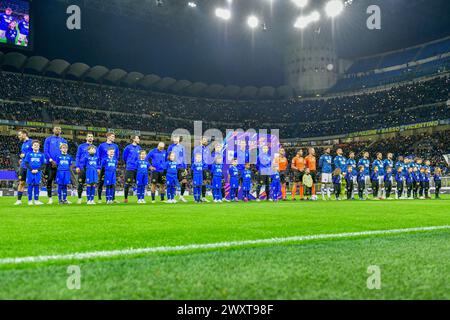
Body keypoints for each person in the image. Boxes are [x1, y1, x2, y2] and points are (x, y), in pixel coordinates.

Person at [44, 127, 68, 204]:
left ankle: (63, 198)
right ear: (53, 130)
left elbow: (65, 151)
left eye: (59, 129)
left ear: (61, 131)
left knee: (62, 181)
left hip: (61, 165)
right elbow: (46, 150)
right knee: (49, 180)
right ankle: (50, 198)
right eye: (56, 129)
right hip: (50, 163)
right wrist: (51, 160)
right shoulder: (48, 139)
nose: (57, 130)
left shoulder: (63, 140)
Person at [97, 132, 119, 203]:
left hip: (111, 166)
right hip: (103, 166)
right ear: (108, 137)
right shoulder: (101, 145)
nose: (114, 138)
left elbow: (117, 156)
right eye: (113, 136)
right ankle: (100, 198)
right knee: (101, 182)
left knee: (112, 183)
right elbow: (98, 156)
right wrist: (98, 167)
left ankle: (112, 198)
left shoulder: (115, 146)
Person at [23, 140, 46, 206]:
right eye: (35, 145)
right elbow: (26, 163)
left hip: (38, 172)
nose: (36, 146)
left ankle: (36, 200)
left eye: (37, 145)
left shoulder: (41, 155)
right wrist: (31, 169)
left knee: (37, 185)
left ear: (39, 147)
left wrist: (38, 170)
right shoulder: (29, 154)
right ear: (32, 146)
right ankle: (30, 200)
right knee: (30, 185)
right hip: (30, 172)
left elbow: (43, 164)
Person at [75, 133, 95, 204]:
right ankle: (79, 198)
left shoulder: (95, 147)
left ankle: (89, 199)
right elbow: (78, 156)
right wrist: (77, 166)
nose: (90, 138)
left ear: (93, 138)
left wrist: (97, 167)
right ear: (86, 138)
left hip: (91, 168)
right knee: (81, 183)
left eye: (91, 137)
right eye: (89, 136)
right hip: (82, 167)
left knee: (91, 183)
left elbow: (97, 158)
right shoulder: (81, 146)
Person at [167, 136, 188, 203]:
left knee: (184, 181)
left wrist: (185, 167)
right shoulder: (170, 147)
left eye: (177, 138)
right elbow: (168, 156)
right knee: (172, 183)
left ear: (179, 139)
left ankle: (181, 196)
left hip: (181, 167)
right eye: (174, 138)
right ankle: (170, 198)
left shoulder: (182, 147)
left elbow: (184, 157)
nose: (175, 139)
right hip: (173, 167)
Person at [14, 130, 33, 205]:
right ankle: (19, 200)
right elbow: (23, 154)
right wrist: (21, 159)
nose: (19, 136)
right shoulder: (23, 144)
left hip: (30, 166)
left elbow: (35, 152)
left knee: (31, 183)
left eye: (20, 135)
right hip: (23, 166)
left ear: (24, 134)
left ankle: (31, 200)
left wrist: (25, 156)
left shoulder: (32, 142)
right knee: (21, 182)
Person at [122, 135, 142, 203]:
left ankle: (139, 199)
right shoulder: (128, 147)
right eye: (137, 138)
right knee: (127, 183)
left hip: (138, 168)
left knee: (139, 183)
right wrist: (128, 163)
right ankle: (125, 198)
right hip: (130, 168)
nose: (139, 139)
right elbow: (124, 157)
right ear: (133, 139)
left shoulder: (139, 148)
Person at [193, 137, 211, 202]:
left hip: (205, 168)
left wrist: (208, 167)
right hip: (198, 168)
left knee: (204, 182)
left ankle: (203, 197)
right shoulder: (197, 148)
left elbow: (209, 159)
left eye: (206, 140)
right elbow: (194, 158)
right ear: (201, 141)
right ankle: (196, 197)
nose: (205, 141)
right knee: (197, 183)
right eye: (204, 140)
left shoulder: (207, 149)